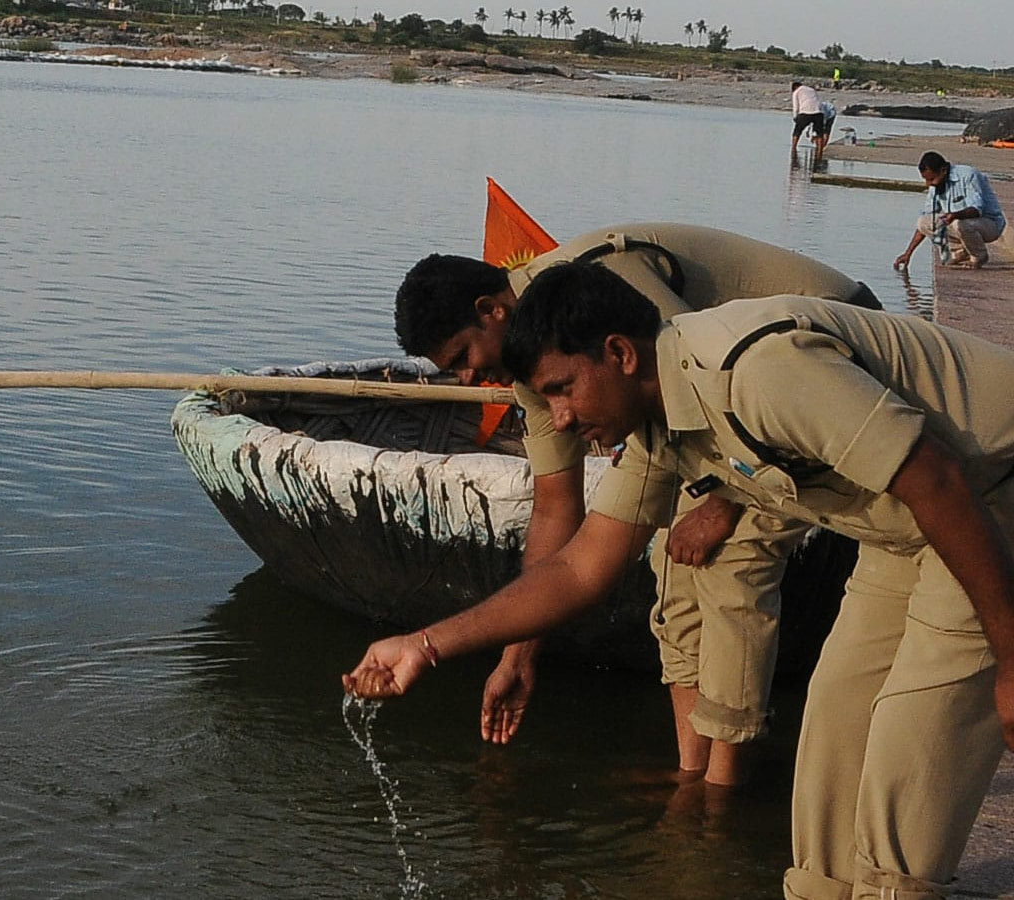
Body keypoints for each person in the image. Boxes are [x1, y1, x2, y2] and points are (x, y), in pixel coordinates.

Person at [346, 260, 1014, 900]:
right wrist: (425, 645)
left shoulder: (755, 371)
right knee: (832, 759)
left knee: (905, 774)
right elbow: (581, 567)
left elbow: (940, 480)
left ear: (620, 353)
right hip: (903, 534)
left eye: (561, 390)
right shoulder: (661, 426)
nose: (562, 420)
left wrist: (1010, 661)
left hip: (987, 505)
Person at [392, 223, 879, 786]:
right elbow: (556, 506)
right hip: (710, 415)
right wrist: (518, 655)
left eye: (463, 356)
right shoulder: (536, 364)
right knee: (670, 561)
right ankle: (692, 771)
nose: (469, 378)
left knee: (730, 558)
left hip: (826, 356)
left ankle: (722, 793)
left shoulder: (596, 280)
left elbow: (691, 365)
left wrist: (723, 502)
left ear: (491, 310)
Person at [893, 150, 1007, 271]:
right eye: (926, 180)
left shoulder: (968, 175)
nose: (928, 184)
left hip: (989, 224)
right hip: (960, 223)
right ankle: (960, 251)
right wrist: (908, 253)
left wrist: (955, 215)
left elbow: (976, 210)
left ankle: (979, 256)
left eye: (931, 179)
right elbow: (926, 218)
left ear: (943, 171)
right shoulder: (935, 186)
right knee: (923, 222)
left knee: (960, 223)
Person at [791, 81, 824, 154]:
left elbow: (796, 107)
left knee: (797, 131)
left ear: (794, 88)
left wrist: (795, 117)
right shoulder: (811, 90)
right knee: (819, 133)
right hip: (818, 112)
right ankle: (820, 150)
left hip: (805, 112)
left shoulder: (796, 92)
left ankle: (793, 149)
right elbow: (818, 101)